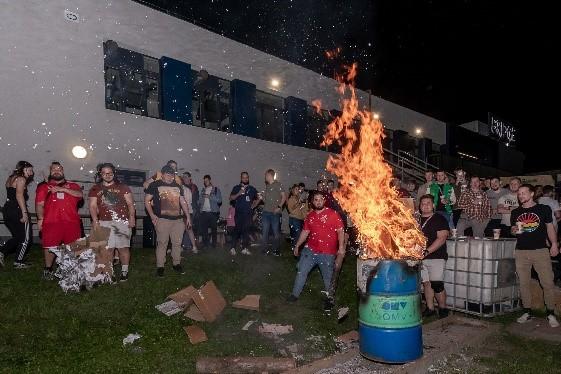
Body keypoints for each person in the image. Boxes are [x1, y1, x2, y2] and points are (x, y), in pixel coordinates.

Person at [287, 191, 345, 312]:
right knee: (301, 271)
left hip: (327, 253)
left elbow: (340, 231)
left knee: (328, 277)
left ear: (324, 201)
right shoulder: (310, 216)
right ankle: (294, 295)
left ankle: (330, 300)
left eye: (320, 199)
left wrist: (341, 248)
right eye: (316, 200)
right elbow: (305, 232)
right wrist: (297, 245)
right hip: (310, 250)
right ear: (312, 202)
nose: (318, 201)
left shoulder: (333, 214)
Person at [511, 184, 560, 328]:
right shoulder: (515, 212)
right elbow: (514, 231)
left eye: (524, 193)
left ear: (532, 194)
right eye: (519, 193)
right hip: (521, 251)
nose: (521, 195)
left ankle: (550, 313)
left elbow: (550, 227)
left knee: (547, 283)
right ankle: (527, 311)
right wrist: (513, 230)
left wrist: (554, 244)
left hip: (540, 251)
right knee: (524, 283)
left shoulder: (543, 209)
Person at [35, 162, 83, 279]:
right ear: (50, 172)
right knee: (49, 247)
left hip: (71, 222)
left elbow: (80, 195)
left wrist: (62, 189)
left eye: (59, 169)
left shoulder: (73, 185)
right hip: (51, 222)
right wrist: (40, 219)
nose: (56, 171)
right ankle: (48, 269)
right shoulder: (44, 187)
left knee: (73, 247)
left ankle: (72, 269)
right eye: (53, 169)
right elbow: (39, 204)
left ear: (63, 171)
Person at [88, 163, 135, 281]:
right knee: (108, 249)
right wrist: (95, 220)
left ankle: (125, 271)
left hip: (122, 222)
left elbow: (130, 204)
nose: (107, 175)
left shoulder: (123, 187)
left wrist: (132, 218)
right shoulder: (95, 188)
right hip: (104, 222)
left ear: (114, 173)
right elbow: (92, 206)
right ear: (100, 174)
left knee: (123, 248)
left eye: (109, 173)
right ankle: (110, 272)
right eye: (104, 173)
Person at [145, 165, 192, 276]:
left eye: (172, 174)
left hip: (178, 221)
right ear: (162, 174)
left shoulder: (178, 186)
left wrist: (188, 217)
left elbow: (183, 202)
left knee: (177, 243)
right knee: (162, 243)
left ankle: (176, 264)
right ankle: (160, 266)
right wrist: (152, 215)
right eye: (168, 174)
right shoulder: (155, 185)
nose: (170, 176)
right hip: (162, 220)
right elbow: (147, 200)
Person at [418, 194, 450, 318]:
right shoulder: (415, 219)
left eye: (428, 203)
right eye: (423, 203)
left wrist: (427, 251)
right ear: (419, 206)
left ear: (433, 205)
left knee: (437, 284)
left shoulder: (439, 219)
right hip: (420, 258)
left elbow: (442, 238)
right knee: (426, 283)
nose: (425, 206)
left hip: (436, 256)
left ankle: (443, 308)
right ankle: (430, 308)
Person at [0, 161, 34, 268]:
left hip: (7, 210)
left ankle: (1, 251)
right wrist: (24, 213)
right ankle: (18, 262)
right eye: (30, 170)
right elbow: (19, 196)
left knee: (18, 237)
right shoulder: (21, 179)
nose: (32, 173)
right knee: (25, 238)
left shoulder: (10, 178)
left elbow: (11, 195)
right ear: (23, 169)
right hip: (17, 210)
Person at [229, 172, 258, 255]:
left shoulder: (252, 189)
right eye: (243, 177)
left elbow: (259, 196)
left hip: (248, 214)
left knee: (246, 231)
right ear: (241, 178)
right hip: (239, 213)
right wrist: (239, 193)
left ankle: (244, 248)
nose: (245, 179)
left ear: (248, 178)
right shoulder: (236, 187)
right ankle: (233, 248)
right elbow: (231, 198)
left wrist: (254, 205)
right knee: (237, 230)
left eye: (246, 177)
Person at [260, 169, 287, 256]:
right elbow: (266, 201)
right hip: (266, 212)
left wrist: (279, 207)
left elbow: (284, 197)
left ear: (269, 175)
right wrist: (262, 197)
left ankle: (275, 250)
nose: (265, 177)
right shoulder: (267, 186)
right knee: (264, 232)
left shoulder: (278, 185)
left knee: (276, 233)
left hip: (275, 213)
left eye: (266, 175)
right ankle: (264, 250)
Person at [198, 175, 222, 249]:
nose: (205, 182)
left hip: (213, 213)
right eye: (204, 181)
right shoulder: (203, 190)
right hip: (204, 212)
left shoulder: (216, 190)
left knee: (213, 229)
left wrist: (209, 197)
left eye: (207, 181)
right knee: (204, 229)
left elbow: (219, 200)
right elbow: (199, 201)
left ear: (210, 180)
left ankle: (214, 245)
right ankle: (205, 244)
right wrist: (199, 200)